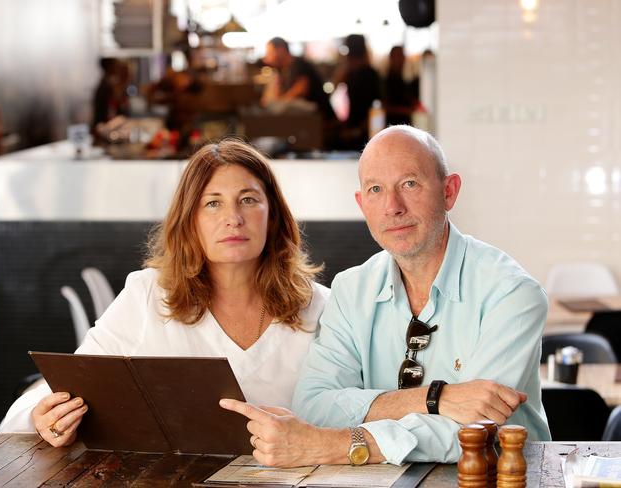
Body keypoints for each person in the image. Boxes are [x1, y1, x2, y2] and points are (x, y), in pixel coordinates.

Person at [221, 125, 550, 467]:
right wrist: (436, 398)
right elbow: (314, 405)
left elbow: (474, 430)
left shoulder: (512, 292)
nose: (393, 207)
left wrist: (334, 444)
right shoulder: (351, 290)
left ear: (449, 192)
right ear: (362, 204)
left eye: (410, 183)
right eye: (376, 189)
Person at [0, 139, 329, 447]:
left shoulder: (323, 307)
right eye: (212, 203)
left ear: (272, 216)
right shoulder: (148, 294)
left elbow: (360, 414)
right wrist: (46, 417)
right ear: (189, 221)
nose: (234, 218)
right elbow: (66, 383)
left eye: (248, 200)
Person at [262, 37, 336, 121]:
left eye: (270, 52)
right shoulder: (284, 70)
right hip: (309, 122)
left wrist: (279, 101)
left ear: (281, 50)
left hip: (322, 121)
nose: (268, 57)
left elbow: (300, 91)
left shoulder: (299, 64)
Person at [333, 34, 381, 149]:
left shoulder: (366, 74)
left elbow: (375, 106)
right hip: (359, 127)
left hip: (363, 129)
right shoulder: (354, 73)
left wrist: (357, 130)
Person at [384, 46, 419, 126]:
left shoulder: (407, 80)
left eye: (401, 56)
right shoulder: (385, 81)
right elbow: (384, 106)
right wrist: (407, 110)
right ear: (391, 58)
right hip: (390, 125)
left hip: (407, 125)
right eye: (396, 56)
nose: (398, 59)